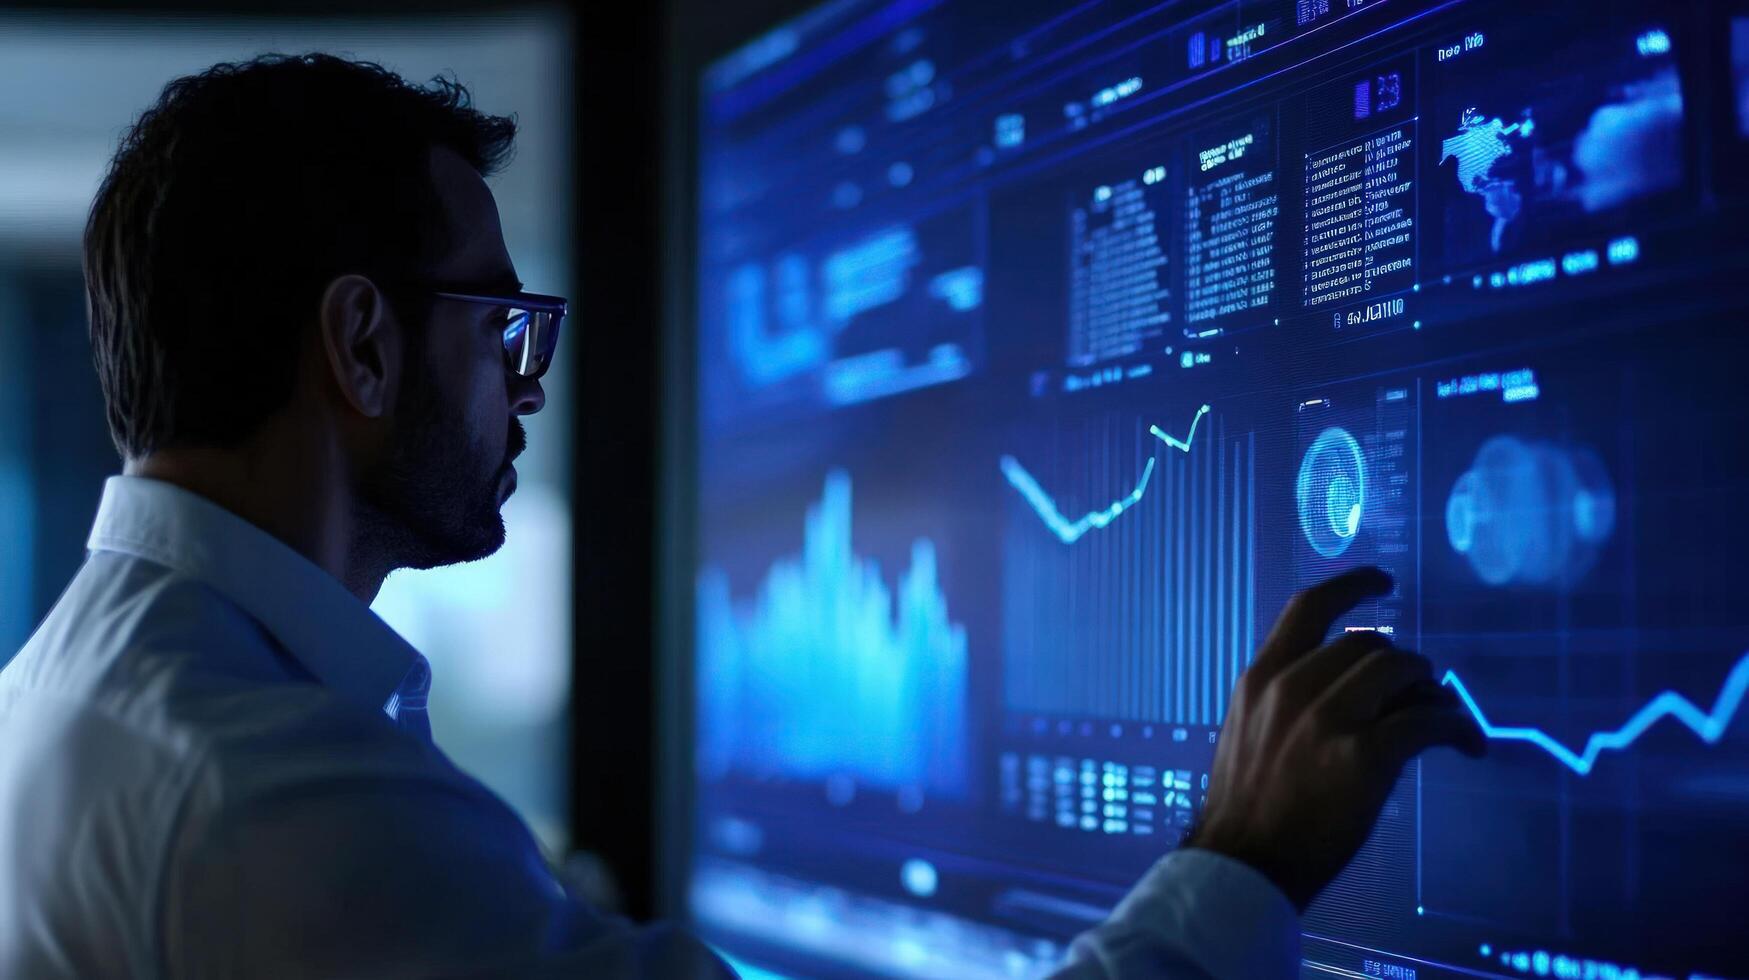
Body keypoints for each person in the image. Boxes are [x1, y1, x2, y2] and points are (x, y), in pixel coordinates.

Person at [0, 55, 1485, 978]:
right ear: (364, 347)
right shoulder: (271, 795)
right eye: (501, 327)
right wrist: (1241, 863)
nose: (526, 392)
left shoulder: (82, 693)